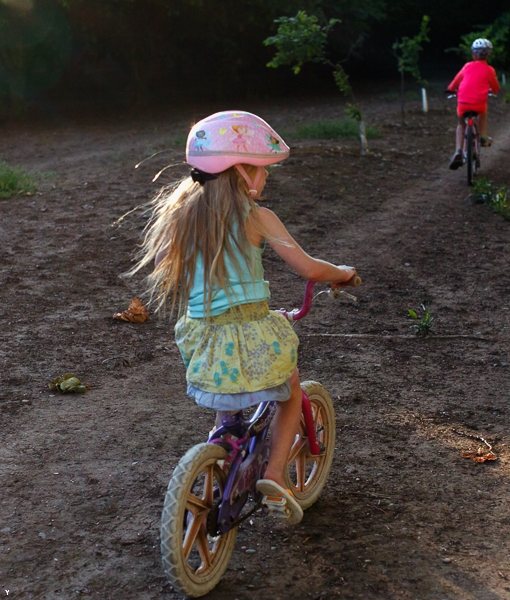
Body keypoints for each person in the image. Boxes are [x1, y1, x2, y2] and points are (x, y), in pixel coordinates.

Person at [127, 111, 356, 524]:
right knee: (288, 395)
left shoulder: (180, 219)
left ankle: (220, 457)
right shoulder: (257, 218)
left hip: (204, 337)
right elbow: (309, 269)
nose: (265, 179)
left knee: (228, 400)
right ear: (243, 172)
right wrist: (343, 274)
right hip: (252, 331)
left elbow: (166, 264)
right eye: (262, 170)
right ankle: (274, 476)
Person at [447, 38, 501, 170]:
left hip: (463, 103)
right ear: (489, 55)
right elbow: (496, 89)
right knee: (483, 112)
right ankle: (482, 136)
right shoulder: (490, 70)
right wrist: (492, 91)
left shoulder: (466, 66)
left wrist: (451, 90)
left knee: (461, 123)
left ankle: (458, 151)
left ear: (473, 54)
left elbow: (454, 84)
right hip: (479, 104)